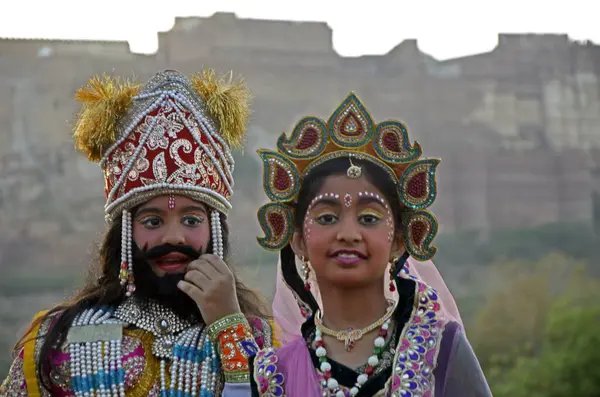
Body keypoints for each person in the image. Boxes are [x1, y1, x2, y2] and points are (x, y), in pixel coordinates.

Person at [0, 69, 275, 397]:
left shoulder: (261, 340)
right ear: (124, 233)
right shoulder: (57, 342)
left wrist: (229, 328)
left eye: (191, 220)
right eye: (153, 222)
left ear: (215, 229)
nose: (174, 237)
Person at [250, 93, 491, 396]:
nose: (348, 233)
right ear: (297, 240)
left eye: (368, 218)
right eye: (326, 218)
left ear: (400, 241)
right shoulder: (275, 373)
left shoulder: (441, 350)